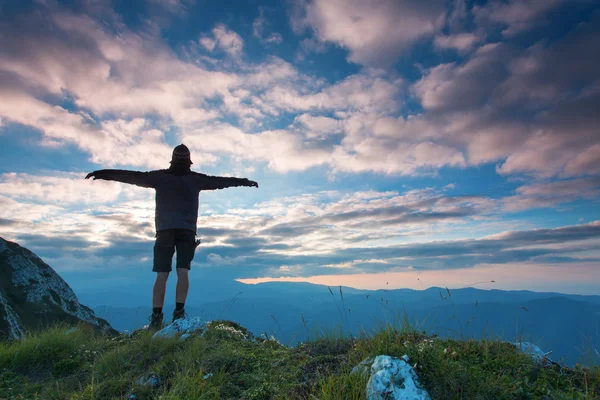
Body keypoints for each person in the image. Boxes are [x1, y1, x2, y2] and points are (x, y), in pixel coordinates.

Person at [85, 144, 258, 330]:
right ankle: (178, 313)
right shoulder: (196, 180)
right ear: (189, 161)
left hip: (164, 230)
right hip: (187, 231)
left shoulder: (160, 178)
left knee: (162, 275)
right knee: (182, 272)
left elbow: (132, 176)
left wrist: (104, 173)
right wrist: (245, 181)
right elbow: (222, 181)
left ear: (172, 159)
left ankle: (156, 317)